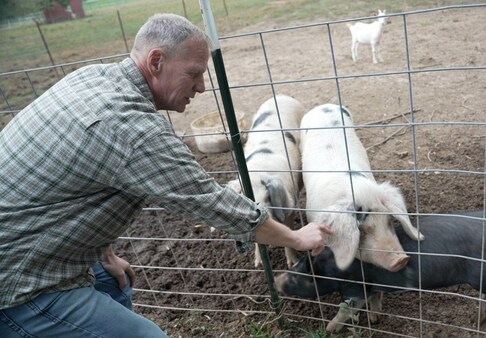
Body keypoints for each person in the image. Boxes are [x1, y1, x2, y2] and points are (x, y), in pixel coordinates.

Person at [0, 13, 331, 337]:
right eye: (194, 73)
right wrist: (297, 238)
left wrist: (105, 255)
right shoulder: (133, 129)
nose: (202, 87)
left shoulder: (91, 78)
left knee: (110, 278)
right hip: (19, 285)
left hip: (27, 245)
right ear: (156, 60)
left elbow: (77, 180)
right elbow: (213, 204)